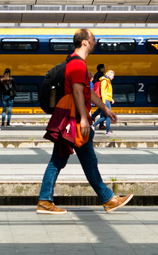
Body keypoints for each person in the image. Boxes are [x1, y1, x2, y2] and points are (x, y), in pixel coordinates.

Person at [36, 29, 131, 215]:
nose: (96, 42)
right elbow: (78, 92)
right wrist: (83, 119)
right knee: (87, 161)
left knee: (59, 160)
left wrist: (105, 109)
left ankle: (45, 201)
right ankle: (108, 199)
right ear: (85, 42)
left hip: (71, 119)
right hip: (76, 120)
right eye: (94, 39)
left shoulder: (76, 63)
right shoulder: (78, 65)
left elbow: (89, 92)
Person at [92, 69, 115, 134]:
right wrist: (104, 100)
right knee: (108, 116)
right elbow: (103, 91)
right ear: (109, 75)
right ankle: (108, 131)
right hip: (105, 100)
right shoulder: (104, 81)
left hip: (107, 99)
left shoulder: (108, 81)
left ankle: (93, 125)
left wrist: (111, 99)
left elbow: (107, 91)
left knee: (104, 116)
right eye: (113, 76)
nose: (113, 77)